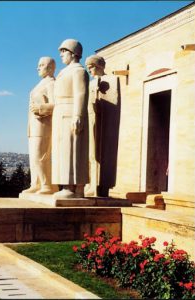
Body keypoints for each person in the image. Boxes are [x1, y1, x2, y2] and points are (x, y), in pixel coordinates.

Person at [52, 39, 89, 198]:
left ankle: (72, 187)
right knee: (62, 150)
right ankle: (66, 185)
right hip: (60, 112)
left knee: (71, 149)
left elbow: (81, 93)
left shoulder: (78, 71)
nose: (61, 55)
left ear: (73, 53)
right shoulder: (65, 71)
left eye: (64, 51)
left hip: (71, 111)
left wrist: (78, 115)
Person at [85, 54, 120, 197]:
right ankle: (90, 184)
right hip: (91, 120)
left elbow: (113, 104)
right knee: (90, 154)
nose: (89, 71)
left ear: (98, 66)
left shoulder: (112, 80)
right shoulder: (90, 83)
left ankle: (99, 186)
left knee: (101, 154)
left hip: (104, 123)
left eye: (91, 67)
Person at [22, 57, 56, 194]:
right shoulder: (40, 84)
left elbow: (56, 105)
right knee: (34, 156)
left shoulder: (52, 84)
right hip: (34, 125)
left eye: (41, 65)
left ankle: (47, 185)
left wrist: (41, 108)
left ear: (50, 68)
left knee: (40, 155)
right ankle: (36, 183)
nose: (38, 68)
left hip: (44, 125)